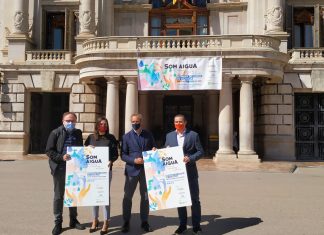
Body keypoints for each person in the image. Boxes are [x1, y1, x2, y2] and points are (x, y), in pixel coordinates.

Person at [45, 112, 86, 235]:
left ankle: (73, 220)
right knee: (59, 196)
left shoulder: (78, 133)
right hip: (60, 168)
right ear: (63, 121)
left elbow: (80, 149)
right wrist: (61, 157)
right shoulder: (55, 132)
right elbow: (48, 151)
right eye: (68, 120)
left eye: (73, 121)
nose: (70, 123)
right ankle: (58, 222)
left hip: (74, 169)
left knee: (73, 195)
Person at [165, 114, 204, 235]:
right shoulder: (169, 136)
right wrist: (158, 152)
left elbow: (200, 152)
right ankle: (182, 225)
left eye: (180, 122)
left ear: (185, 122)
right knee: (180, 200)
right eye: (176, 122)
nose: (178, 124)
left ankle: (196, 226)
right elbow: (166, 151)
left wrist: (190, 158)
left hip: (190, 173)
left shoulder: (193, 135)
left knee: (194, 200)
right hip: (176, 175)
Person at [121, 113, 156, 233]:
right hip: (132, 171)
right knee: (127, 197)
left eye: (137, 121)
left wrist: (154, 150)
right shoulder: (126, 137)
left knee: (145, 197)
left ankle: (144, 221)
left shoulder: (148, 135)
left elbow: (153, 148)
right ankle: (126, 221)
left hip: (146, 171)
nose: (135, 124)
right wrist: (134, 160)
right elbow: (123, 155)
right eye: (133, 122)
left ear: (141, 122)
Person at [84, 116, 119, 235]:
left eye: (105, 124)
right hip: (92, 171)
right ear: (97, 125)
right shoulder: (91, 137)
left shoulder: (111, 138)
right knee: (94, 195)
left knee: (104, 196)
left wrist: (111, 161)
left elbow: (115, 154)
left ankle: (106, 221)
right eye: (101, 124)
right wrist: (87, 148)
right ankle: (95, 219)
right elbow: (84, 151)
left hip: (105, 171)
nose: (103, 126)